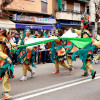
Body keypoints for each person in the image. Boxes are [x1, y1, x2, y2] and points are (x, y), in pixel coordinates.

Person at [70, 14, 96, 79]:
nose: (80, 26)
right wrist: (74, 30)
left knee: (86, 62)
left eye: (81, 25)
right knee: (85, 61)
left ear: (84, 26)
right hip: (88, 50)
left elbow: (83, 40)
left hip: (85, 50)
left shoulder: (85, 32)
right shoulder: (87, 32)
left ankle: (92, 71)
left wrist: (77, 40)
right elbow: (80, 32)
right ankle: (86, 72)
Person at [0, 29, 16, 100]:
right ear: (6, 34)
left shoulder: (6, 40)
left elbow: (10, 45)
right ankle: (5, 93)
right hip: (3, 61)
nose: (11, 35)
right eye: (10, 34)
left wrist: (18, 45)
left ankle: (5, 93)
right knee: (5, 76)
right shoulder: (2, 40)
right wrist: (7, 58)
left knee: (6, 76)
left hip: (5, 61)